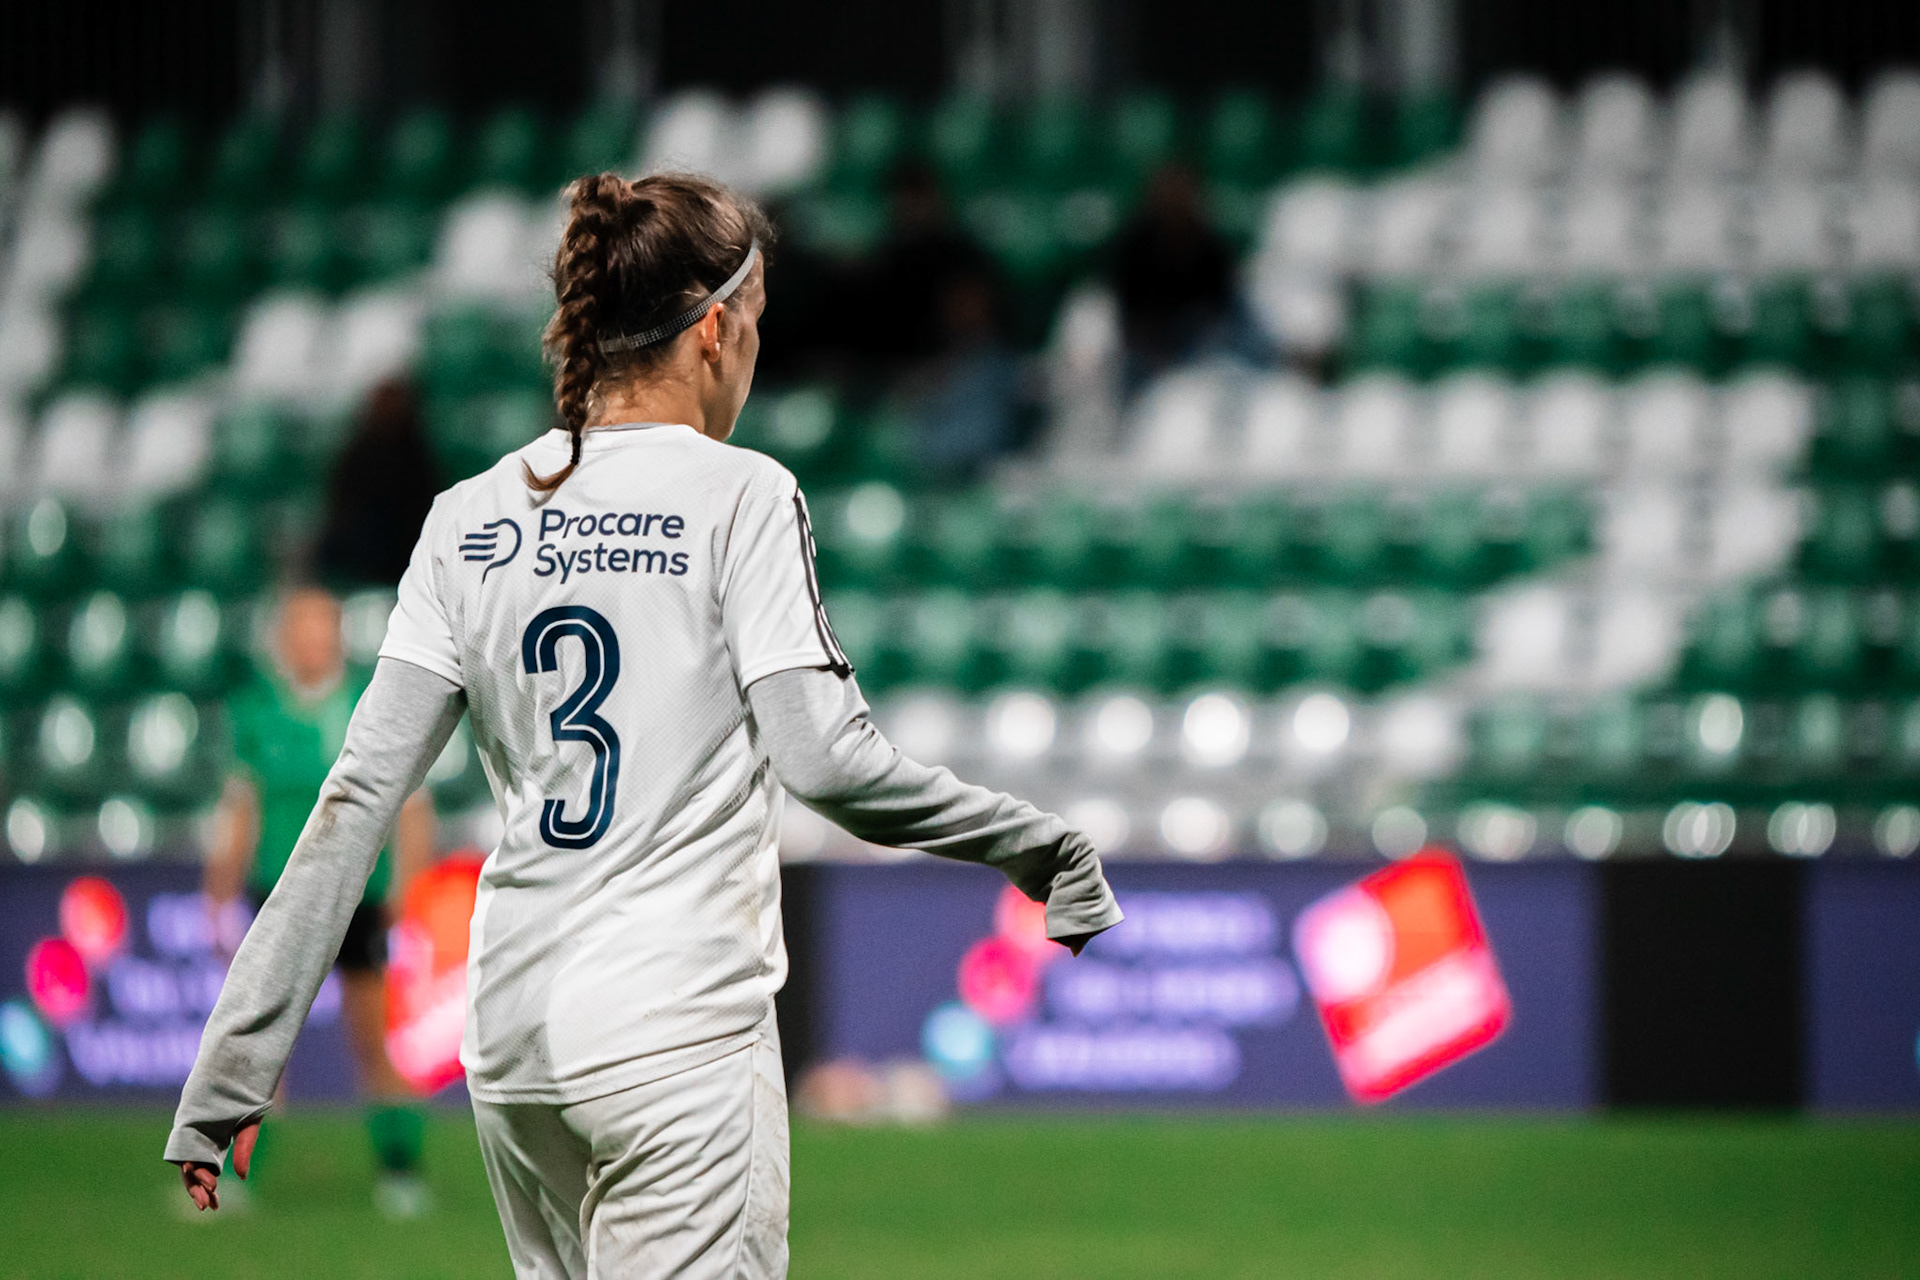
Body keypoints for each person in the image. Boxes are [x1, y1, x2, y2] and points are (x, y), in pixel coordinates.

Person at [165, 171, 1122, 1278]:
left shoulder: (469, 517)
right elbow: (826, 760)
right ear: (713, 328)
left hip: (515, 1047)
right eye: (756, 324)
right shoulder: (742, 494)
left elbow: (355, 796)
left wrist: (232, 1070)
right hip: (675, 1032)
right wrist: (1033, 843)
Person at [201, 585, 438, 1217]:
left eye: (318, 627)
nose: (308, 639)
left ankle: (400, 1171)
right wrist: (220, 880)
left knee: (371, 1037)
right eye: (297, 627)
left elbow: (412, 807)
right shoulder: (256, 709)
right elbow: (242, 801)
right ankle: (240, 1178)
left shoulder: (372, 704)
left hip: (357, 894)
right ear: (284, 638)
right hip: (277, 894)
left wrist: (407, 885)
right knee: (261, 1045)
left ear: (335, 636)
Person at [314, 377, 443, 589]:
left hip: (402, 553)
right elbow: (341, 512)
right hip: (358, 552)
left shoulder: (418, 459)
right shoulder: (355, 455)